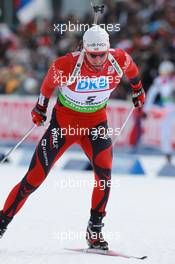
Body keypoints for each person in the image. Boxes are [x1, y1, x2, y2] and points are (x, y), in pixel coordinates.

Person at [0, 25, 145, 250]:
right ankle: (2, 222)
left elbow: (133, 69)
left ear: (108, 50)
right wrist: (40, 108)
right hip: (64, 127)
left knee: (105, 176)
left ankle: (94, 231)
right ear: (84, 50)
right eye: (92, 55)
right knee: (34, 178)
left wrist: (137, 89)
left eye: (101, 55)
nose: (97, 60)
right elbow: (48, 85)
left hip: (96, 126)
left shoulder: (119, 59)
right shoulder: (66, 64)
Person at [144, 61, 175, 164]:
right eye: (162, 72)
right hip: (167, 109)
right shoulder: (159, 81)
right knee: (165, 130)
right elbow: (152, 93)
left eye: (166, 72)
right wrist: (147, 107)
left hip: (171, 107)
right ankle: (167, 153)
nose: (164, 74)